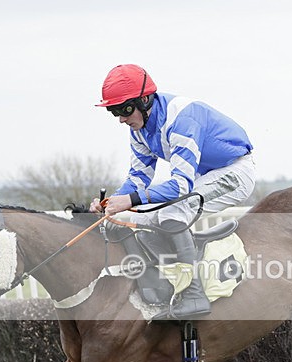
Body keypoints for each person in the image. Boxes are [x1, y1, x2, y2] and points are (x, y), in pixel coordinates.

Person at [91, 64, 256, 320]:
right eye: (114, 112)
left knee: (175, 206)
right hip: (205, 177)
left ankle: (194, 294)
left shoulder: (182, 120)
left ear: (144, 100)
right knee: (141, 217)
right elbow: (138, 179)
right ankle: (167, 286)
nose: (121, 118)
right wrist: (111, 202)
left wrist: (130, 200)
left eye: (124, 109)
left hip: (235, 173)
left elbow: (180, 186)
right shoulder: (139, 130)